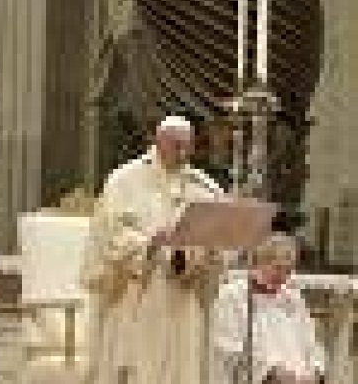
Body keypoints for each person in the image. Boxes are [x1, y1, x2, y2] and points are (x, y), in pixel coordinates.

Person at [82, 115, 227, 384]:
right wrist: (151, 244)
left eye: (188, 146)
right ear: (158, 141)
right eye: (176, 145)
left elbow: (217, 242)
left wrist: (196, 251)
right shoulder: (123, 180)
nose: (183, 153)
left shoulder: (204, 185)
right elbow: (111, 235)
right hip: (140, 287)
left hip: (185, 290)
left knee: (186, 364)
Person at [212, 234, 326, 384]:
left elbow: (312, 343)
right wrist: (270, 372)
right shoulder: (233, 296)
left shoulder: (293, 297)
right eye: (278, 268)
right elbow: (227, 348)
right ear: (260, 262)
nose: (283, 277)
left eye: (288, 270)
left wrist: (316, 370)